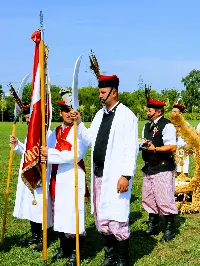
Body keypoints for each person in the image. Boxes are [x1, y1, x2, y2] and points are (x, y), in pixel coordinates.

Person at [75, 74, 138, 266]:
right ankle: (110, 255)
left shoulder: (127, 116)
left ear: (114, 92)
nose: (100, 96)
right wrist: (78, 123)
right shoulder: (99, 114)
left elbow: (131, 148)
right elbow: (89, 139)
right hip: (99, 174)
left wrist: (126, 175)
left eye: (103, 92)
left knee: (117, 215)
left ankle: (122, 259)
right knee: (102, 215)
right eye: (99, 92)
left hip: (117, 175)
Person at [40, 100, 90, 266]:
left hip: (73, 176)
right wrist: (45, 154)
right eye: (65, 111)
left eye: (70, 110)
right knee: (59, 212)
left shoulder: (80, 131)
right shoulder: (55, 132)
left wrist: (50, 153)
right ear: (60, 113)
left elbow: (74, 155)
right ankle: (64, 246)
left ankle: (77, 251)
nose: (68, 114)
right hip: (57, 176)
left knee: (73, 213)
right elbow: (47, 151)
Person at [9, 105, 52, 252]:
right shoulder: (31, 133)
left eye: (30, 116)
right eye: (26, 116)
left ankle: (42, 236)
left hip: (40, 174)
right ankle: (34, 235)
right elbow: (27, 152)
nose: (28, 118)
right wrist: (17, 144)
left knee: (40, 206)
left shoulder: (46, 133)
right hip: (29, 174)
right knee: (30, 204)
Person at [138, 93, 178, 242]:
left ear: (158, 112)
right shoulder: (147, 126)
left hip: (163, 166)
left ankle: (169, 229)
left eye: (150, 110)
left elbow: (172, 147)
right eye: (148, 109)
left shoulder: (167, 125)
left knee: (164, 198)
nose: (147, 112)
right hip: (149, 167)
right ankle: (153, 226)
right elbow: (145, 142)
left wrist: (155, 149)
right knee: (149, 197)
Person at [172, 103, 189, 177]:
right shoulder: (170, 124)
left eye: (175, 112)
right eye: (173, 111)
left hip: (182, 151)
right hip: (172, 152)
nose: (173, 113)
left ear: (180, 113)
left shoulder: (186, 125)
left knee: (182, 173)